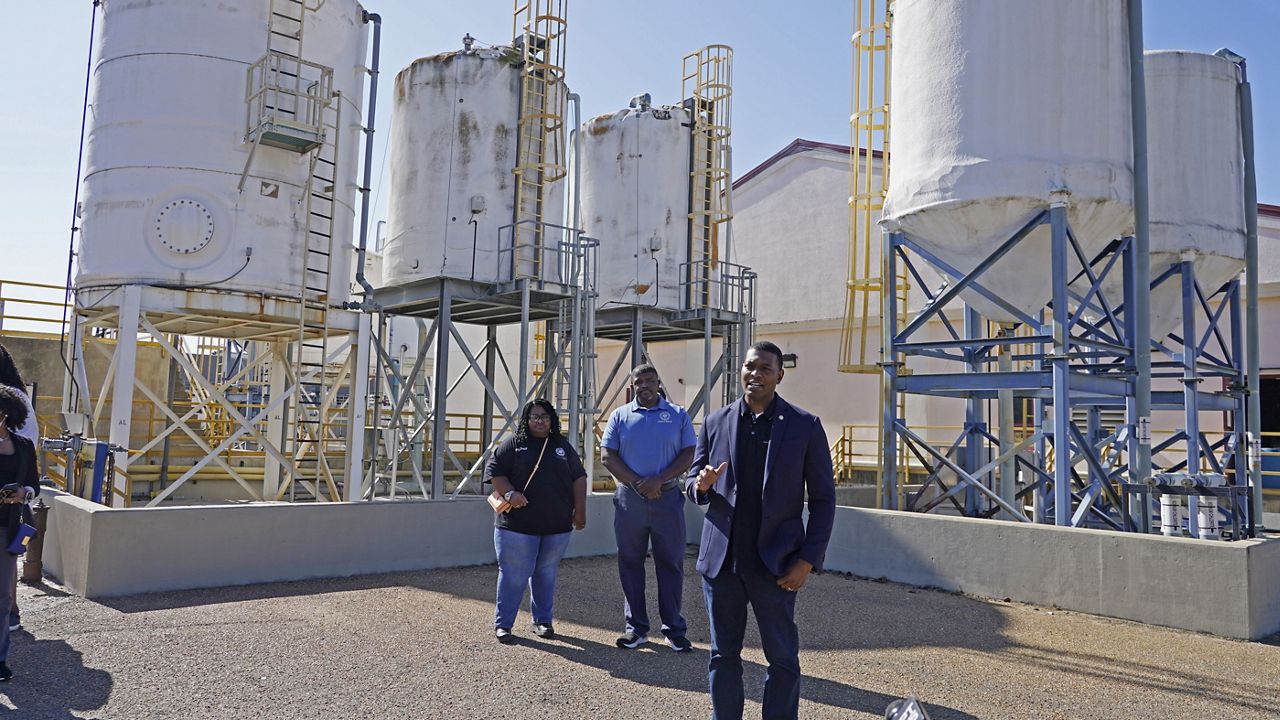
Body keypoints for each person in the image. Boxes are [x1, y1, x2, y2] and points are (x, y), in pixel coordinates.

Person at [685, 341, 836, 720]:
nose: (756, 374)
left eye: (766, 368)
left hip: (776, 565)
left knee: (782, 658)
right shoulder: (716, 421)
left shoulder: (804, 426)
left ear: (780, 376)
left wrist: (807, 560)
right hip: (723, 565)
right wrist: (699, 485)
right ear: (742, 370)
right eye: (751, 366)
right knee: (723, 656)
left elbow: (823, 501)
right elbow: (691, 482)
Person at [601, 363, 696, 651]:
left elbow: (689, 453)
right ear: (633, 386)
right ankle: (636, 629)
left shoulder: (678, 415)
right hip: (631, 500)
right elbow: (608, 455)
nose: (645, 385)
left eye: (650, 380)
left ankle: (673, 629)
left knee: (671, 564)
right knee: (630, 563)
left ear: (658, 383)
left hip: (667, 499)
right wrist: (638, 484)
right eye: (639, 381)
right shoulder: (620, 416)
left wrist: (659, 480)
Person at [485, 398, 587, 644]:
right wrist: (510, 494)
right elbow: (494, 472)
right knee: (513, 575)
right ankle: (504, 625)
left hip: (556, 525)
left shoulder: (561, 446)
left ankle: (542, 621)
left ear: (552, 420)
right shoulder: (514, 444)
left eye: (545, 416)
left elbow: (579, 478)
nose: (540, 421)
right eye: (534, 417)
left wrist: (580, 512)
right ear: (526, 420)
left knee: (546, 573)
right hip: (517, 527)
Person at [0, 385, 41, 682]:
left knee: (2, 597)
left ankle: (0, 659)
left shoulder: (24, 445)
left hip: (10, 528)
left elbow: (34, 485)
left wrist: (22, 493)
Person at [0, 343, 35, 634]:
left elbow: (23, 455)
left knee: (10, 559)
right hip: (22, 504)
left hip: (16, 504)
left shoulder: (11, 401)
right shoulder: (18, 398)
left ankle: (11, 611)